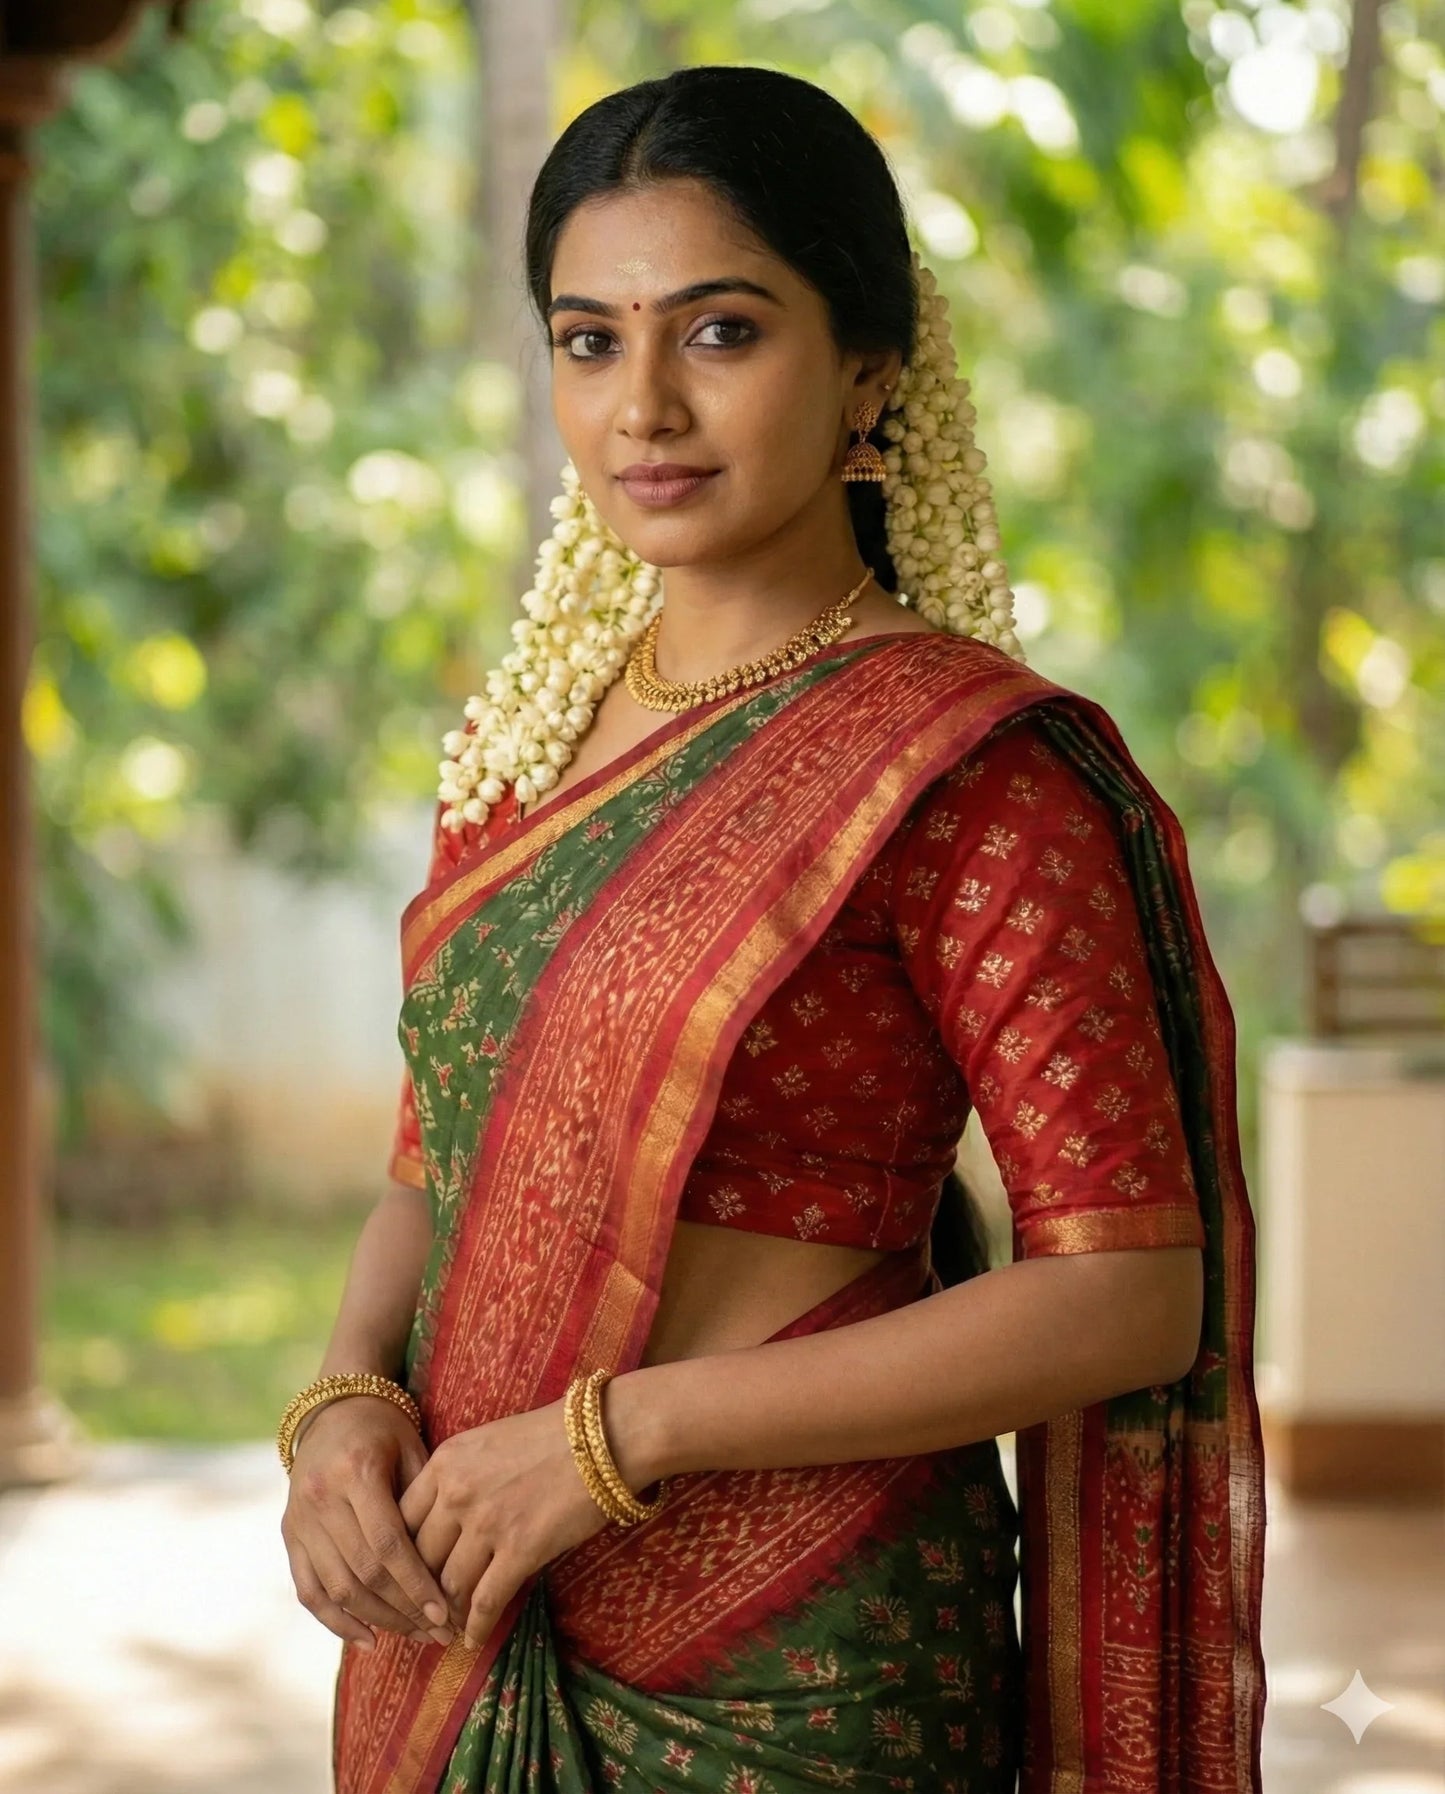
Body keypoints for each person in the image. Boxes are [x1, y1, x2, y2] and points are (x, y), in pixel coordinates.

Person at [278, 65, 1267, 1794]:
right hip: (457, 1615)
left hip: (802, 1661)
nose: (643, 404)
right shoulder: (518, 756)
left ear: (870, 373)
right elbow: (434, 1158)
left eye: (718, 332)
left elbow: (1125, 1292)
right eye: (589, 340)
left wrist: (606, 1441)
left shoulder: (969, 775)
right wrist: (341, 1402)